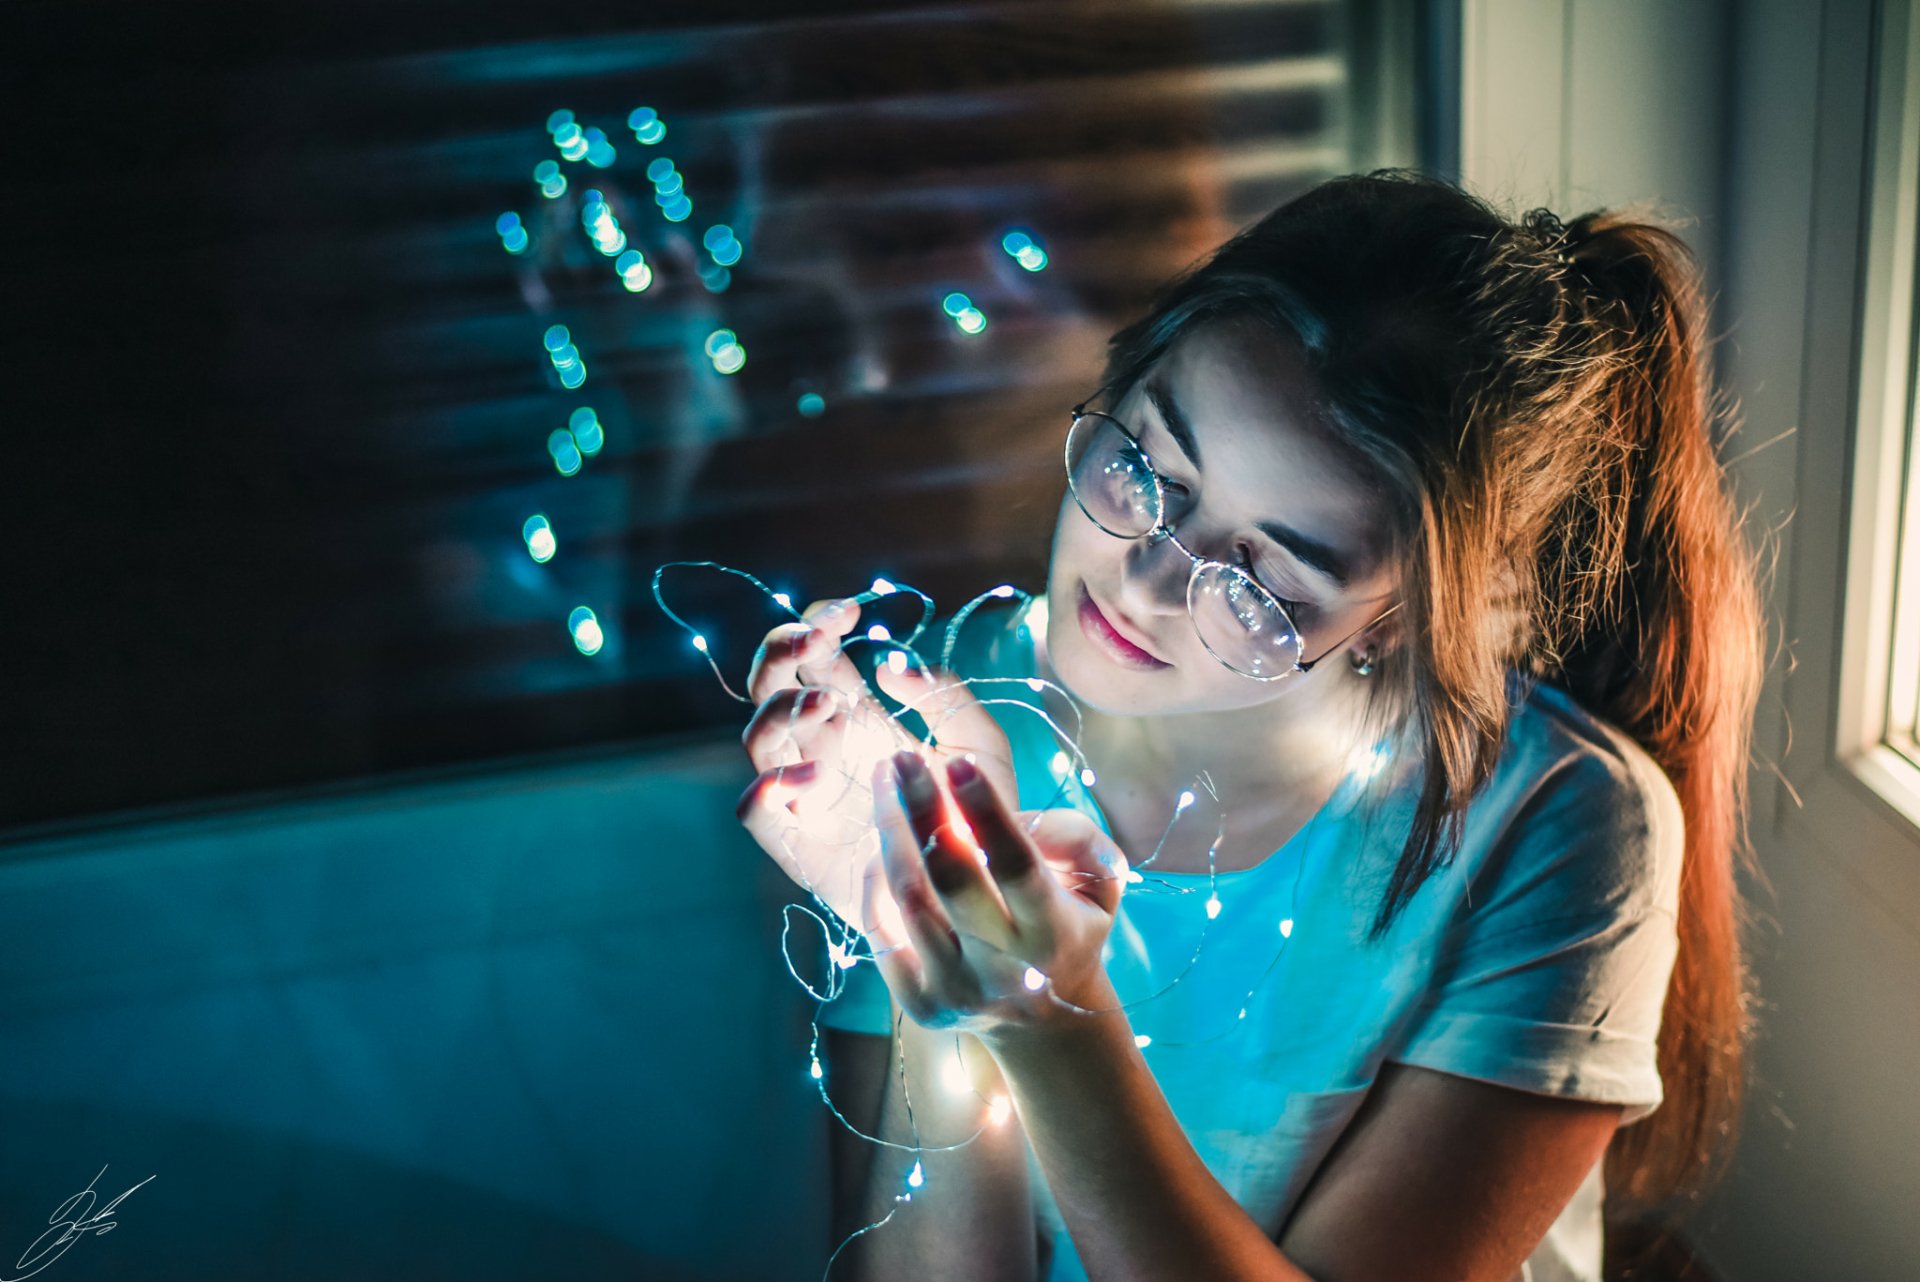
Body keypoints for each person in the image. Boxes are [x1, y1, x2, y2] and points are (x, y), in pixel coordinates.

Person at [733, 169, 1765, 1282]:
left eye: (1262, 580)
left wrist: (1050, 1020)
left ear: (1396, 623)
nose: (1142, 581)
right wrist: (927, 959)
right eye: (1145, 466)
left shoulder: (1557, 823)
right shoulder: (941, 715)